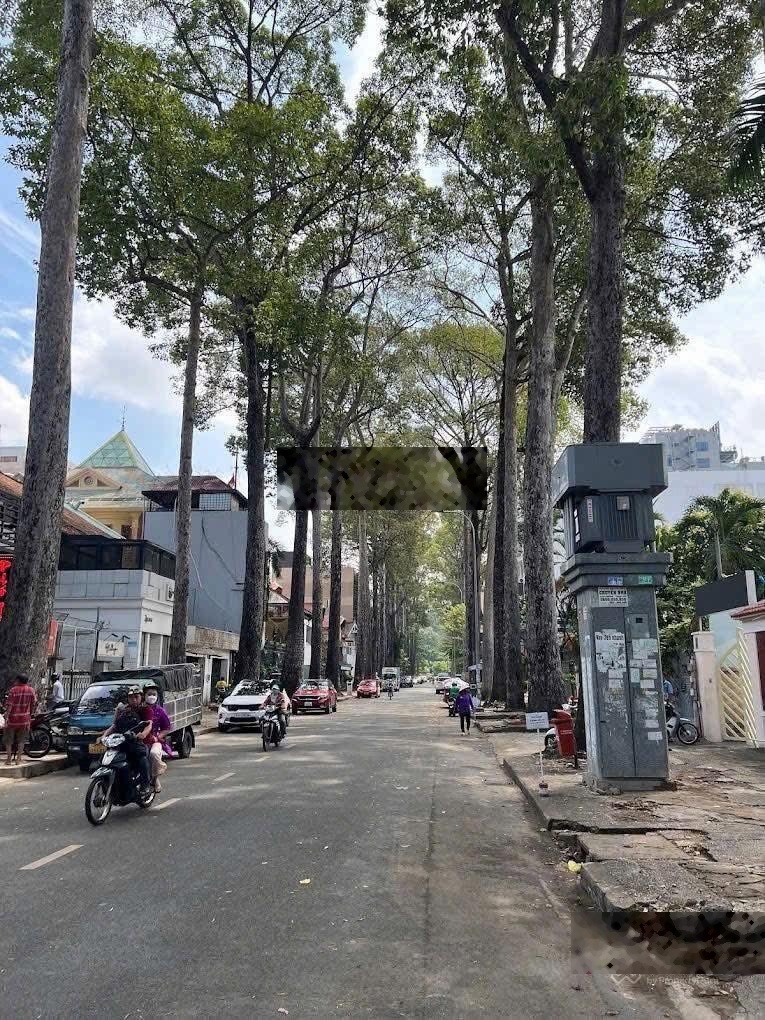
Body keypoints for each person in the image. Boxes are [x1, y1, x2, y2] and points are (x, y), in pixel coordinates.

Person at [101, 686, 152, 793]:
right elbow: (114, 726)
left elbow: (149, 724)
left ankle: (145, 784)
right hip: (121, 742)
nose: (134, 700)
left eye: (136, 697)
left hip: (137, 742)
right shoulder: (123, 709)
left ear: (141, 697)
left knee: (141, 758)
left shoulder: (145, 709)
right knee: (105, 759)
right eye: (131, 697)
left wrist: (143, 734)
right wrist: (104, 735)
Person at [141, 682, 172, 792]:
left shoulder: (160, 711)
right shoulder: (139, 709)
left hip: (154, 740)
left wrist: (158, 737)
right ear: (144, 696)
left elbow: (167, 727)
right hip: (139, 740)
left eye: (154, 694)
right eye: (149, 694)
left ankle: (155, 779)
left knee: (154, 754)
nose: (151, 697)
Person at [3, 674, 37, 765]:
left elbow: (10, 705)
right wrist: (30, 714)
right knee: (21, 741)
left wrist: (6, 717)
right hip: (24, 720)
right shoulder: (31, 690)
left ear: (18, 680)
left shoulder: (13, 690)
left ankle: (9, 760)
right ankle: (18, 760)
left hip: (12, 720)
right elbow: (33, 703)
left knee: (8, 740)